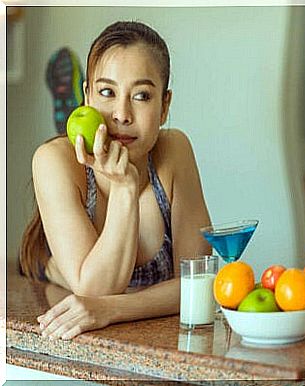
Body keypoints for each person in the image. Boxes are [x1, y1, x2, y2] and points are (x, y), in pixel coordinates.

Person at [19, 20, 212, 340]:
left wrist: (111, 309)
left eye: (142, 96)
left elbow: (199, 281)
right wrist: (124, 187)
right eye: (107, 92)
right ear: (88, 95)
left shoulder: (174, 150)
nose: (122, 114)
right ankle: (68, 117)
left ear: (165, 106)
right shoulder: (53, 160)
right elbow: (95, 288)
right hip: (46, 279)